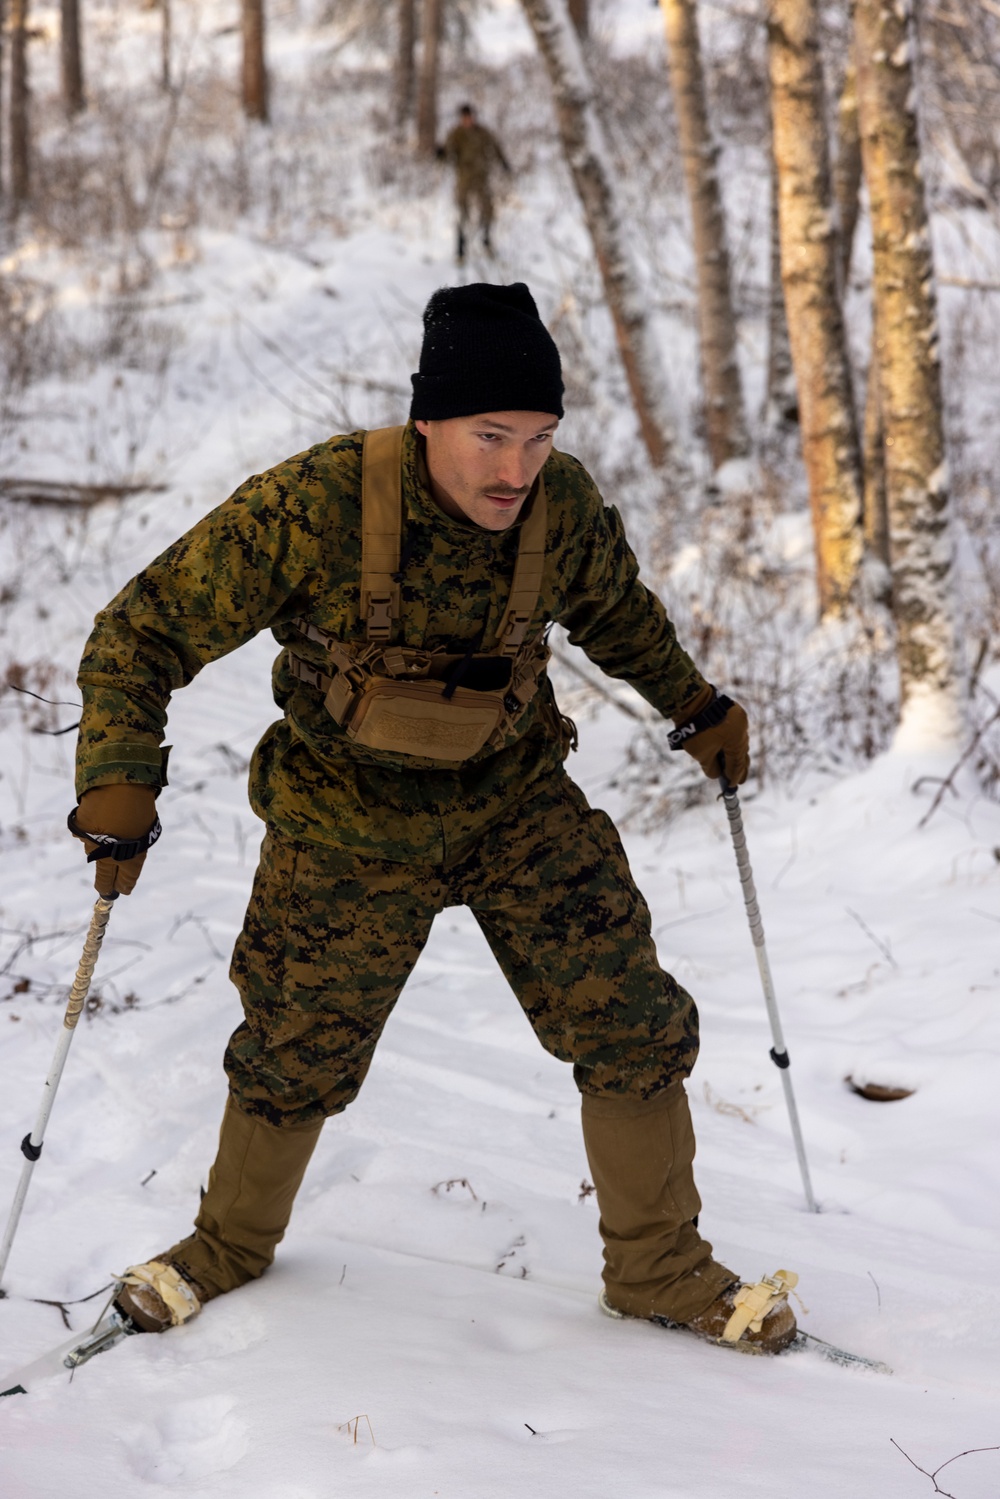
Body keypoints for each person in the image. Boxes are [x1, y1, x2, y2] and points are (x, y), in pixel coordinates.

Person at [70, 282, 797, 1356]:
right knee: (294, 1047)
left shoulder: (562, 506)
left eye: (538, 438)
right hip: (343, 819)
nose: (514, 470)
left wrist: (693, 703)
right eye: (490, 436)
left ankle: (657, 1265)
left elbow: (613, 611)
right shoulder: (316, 504)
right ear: (429, 421)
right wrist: (120, 774)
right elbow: (141, 630)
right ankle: (225, 1243)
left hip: (512, 803)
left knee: (631, 1015)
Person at [439, 104, 511, 264]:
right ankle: (460, 249)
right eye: (465, 117)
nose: (468, 120)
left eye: (470, 117)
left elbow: (495, 146)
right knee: (462, 212)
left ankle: (486, 241)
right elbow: (447, 152)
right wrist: (440, 153)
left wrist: (503, 162)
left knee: (487, 209)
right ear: (461, 118)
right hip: (464, 178)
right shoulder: (456, 134)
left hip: (481, 177)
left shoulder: (482, 132)